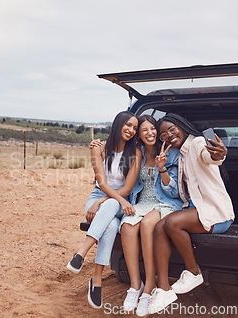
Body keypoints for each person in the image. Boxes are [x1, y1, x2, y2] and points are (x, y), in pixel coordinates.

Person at [148, 113, 234, 314]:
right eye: (163, 135)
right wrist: (162, 169)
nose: (168, 135)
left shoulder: (196, 143)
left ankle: (194, 272)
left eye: (172, 129)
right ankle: (163, 289)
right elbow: (178, 192)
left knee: (171, 223)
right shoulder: (181, 155)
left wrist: (218, 154)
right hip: (195, 211)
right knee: (160, 227)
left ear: (181, 126)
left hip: (217, 215)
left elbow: (210, 156)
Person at [66, 110, 141, 309]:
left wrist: (113, 201)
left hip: (119, 200)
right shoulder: (98, 148)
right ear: (118, 124)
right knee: (110, 226)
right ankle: (96, 279)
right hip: (99, 197)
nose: (131, 130)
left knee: (111, 205)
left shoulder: (136, 153)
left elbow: (127, 189)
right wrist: (100, 201)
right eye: (128, 125)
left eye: (135, 127)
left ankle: (81, 253)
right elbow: (102, 182)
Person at [118, 115, 183, 316]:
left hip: (165, 203)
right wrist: (99, 145)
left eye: (153, 129)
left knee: (147, 225)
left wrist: (162, 167)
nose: (150, 133)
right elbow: (114, 148)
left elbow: (174, 191)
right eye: (144, 130)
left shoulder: (171, 154)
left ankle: (150, 287)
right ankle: (135, 285)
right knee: (127, 226)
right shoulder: (135, 153)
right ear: (139, 135)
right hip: (142, 202)